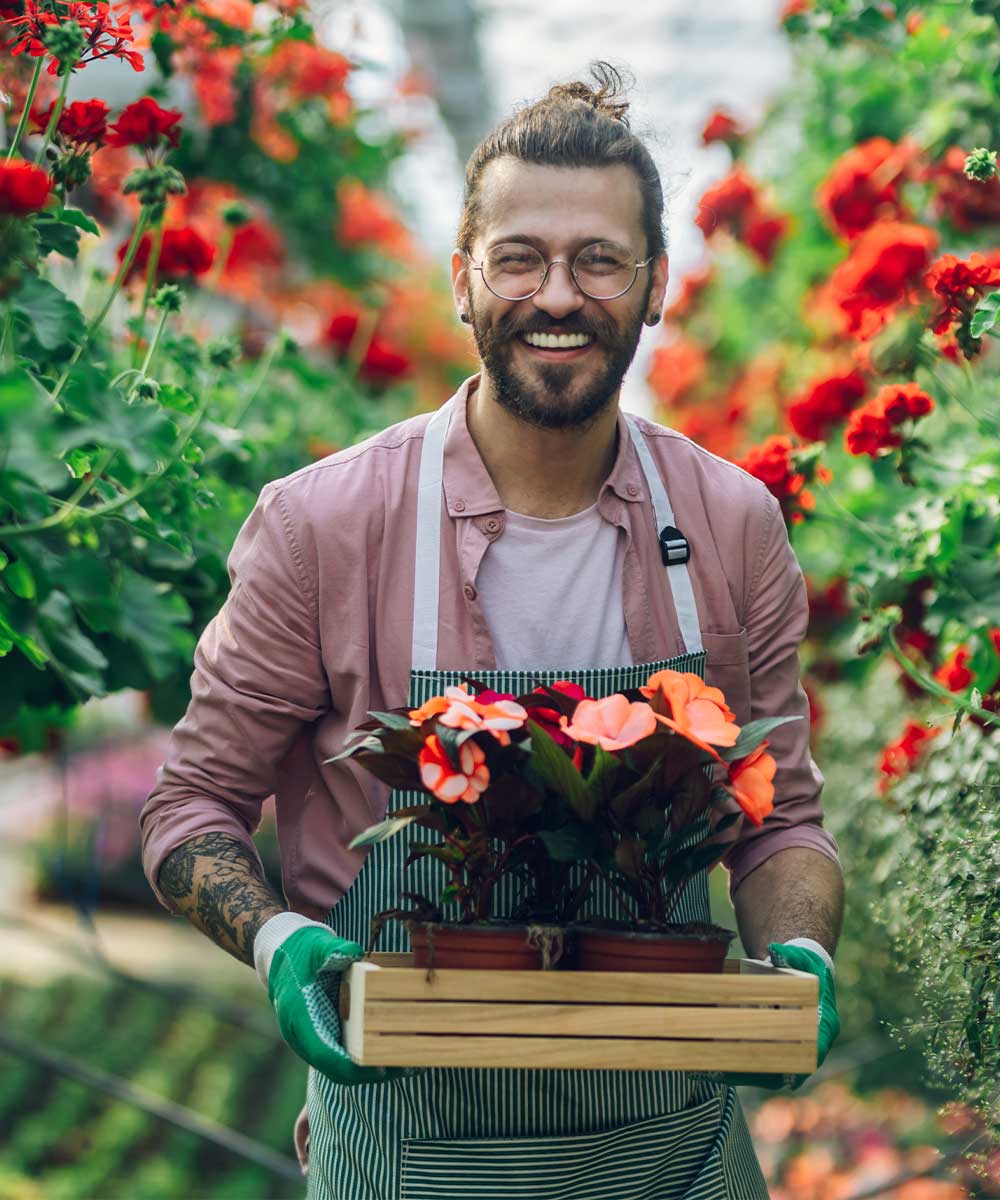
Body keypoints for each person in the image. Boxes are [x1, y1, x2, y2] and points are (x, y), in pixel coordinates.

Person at [140, 63, 843, 1199]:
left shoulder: (727, 522)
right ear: (464, 280)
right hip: (409, 1148)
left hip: (671, 1151)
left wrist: (799, 949)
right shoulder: (325, 524)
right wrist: (277, 945)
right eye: (518, 258)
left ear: (655, 284)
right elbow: (191, 808)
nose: (556, 295)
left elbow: (780, 822)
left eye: (598, 260)